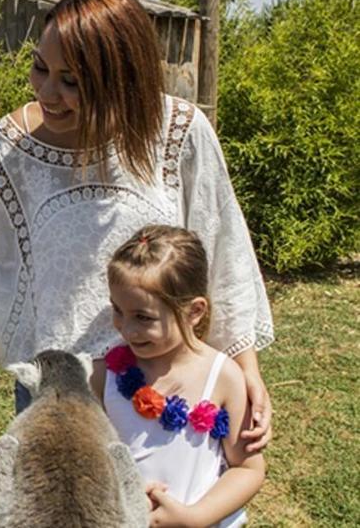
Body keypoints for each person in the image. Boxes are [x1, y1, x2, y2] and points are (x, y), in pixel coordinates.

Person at [0, 0, 275, 451]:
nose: (48, 92)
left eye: (71, 81)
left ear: (119, 80)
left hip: (168, 392)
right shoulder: (19, 146)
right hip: (55, 395)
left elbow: (222, 256)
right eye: (40, 68)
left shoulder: (180, 135)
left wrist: (244, 371)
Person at [97, 224, 265, 527]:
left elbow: (248, 469)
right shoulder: (105, 372)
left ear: (194, 311)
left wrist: (194, 517)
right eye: (118, 310)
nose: (126, 328)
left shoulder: (223, 376)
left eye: (143, 317)